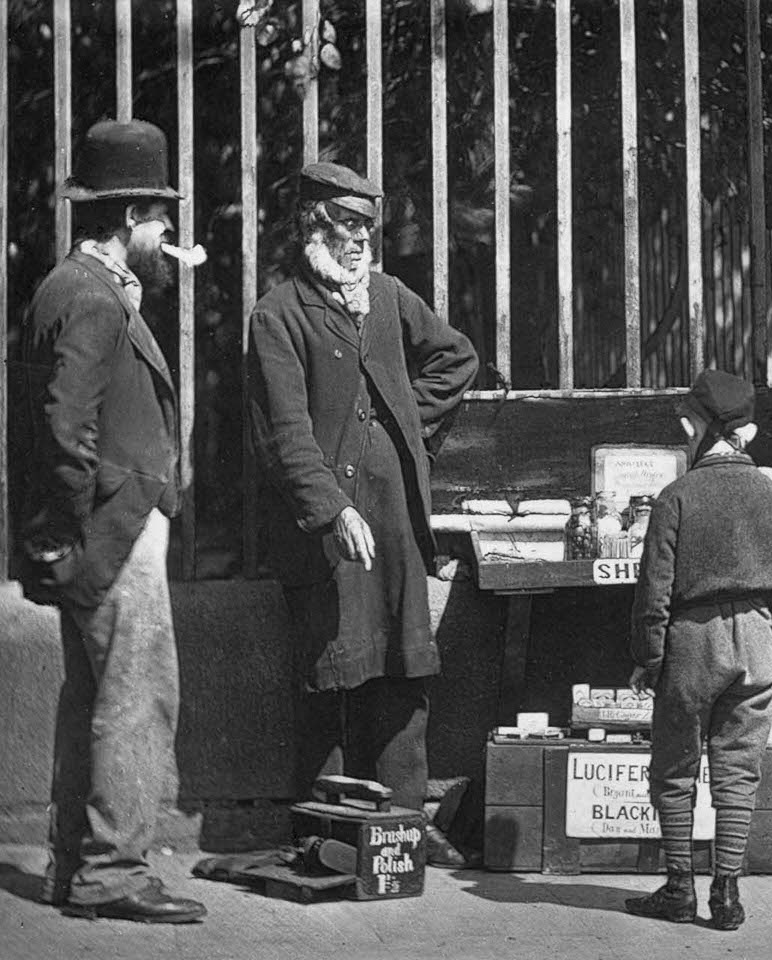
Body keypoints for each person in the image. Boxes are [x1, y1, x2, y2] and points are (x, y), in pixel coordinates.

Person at [246, 161, 478, 864]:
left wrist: (403, 427)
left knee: (403, 669)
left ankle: (403, 828)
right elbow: (283, 434)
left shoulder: (387, 295)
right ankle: (326, 832)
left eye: (367, 229)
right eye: (346, 226)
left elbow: (456, 359)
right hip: (326, 531)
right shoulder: (277, 313)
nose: (360, 241)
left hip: (395, 516)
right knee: (332, 672)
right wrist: (331, 509)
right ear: (312, 228)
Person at [12, 119, 206, 923]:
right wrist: (76, 524)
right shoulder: (94, 299)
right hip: (112, 530)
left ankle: (76, 867)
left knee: (90, 697)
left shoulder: (64, 287)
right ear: (130, 218)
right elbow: (66, 429)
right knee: (137, 698)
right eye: (160, 219)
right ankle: (115, 872)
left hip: (92, 530)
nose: (167, 238)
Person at [625, 370, 772, 930]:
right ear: (746, 433)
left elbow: (654, 592)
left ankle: (679, 888)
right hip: (758, 639)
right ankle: (727, 894)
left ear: (694, 427)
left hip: (692, 640)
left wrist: (650, 659)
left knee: (675, 767)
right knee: (740, 769)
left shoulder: (676, 497)